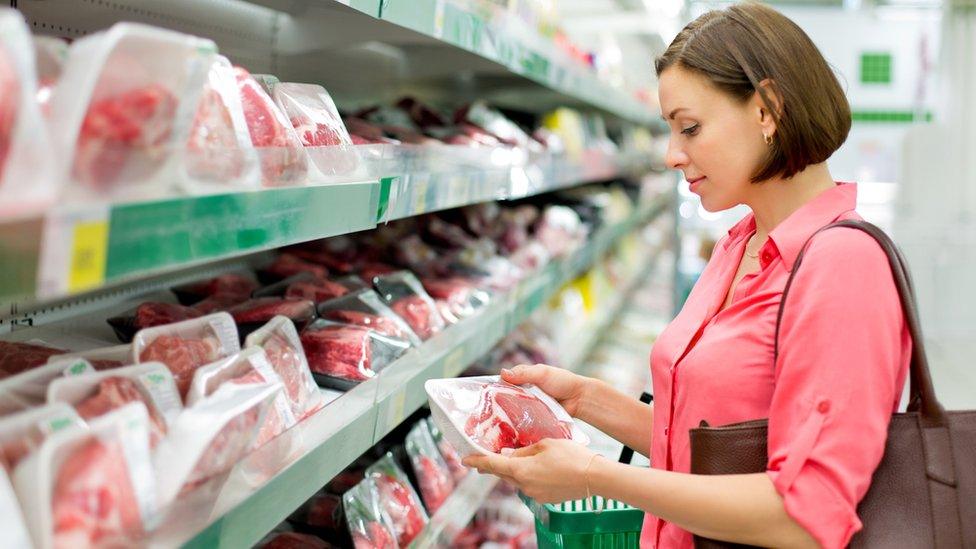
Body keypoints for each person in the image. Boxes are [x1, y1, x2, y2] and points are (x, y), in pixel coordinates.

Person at [463, 3, 912, 548]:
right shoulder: (741, 243)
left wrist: (592, 475)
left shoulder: (843, 267)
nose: (673, 155)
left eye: (690, 128)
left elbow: (804, 518)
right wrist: (585, 402)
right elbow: (714, 448)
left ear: (767, 110)